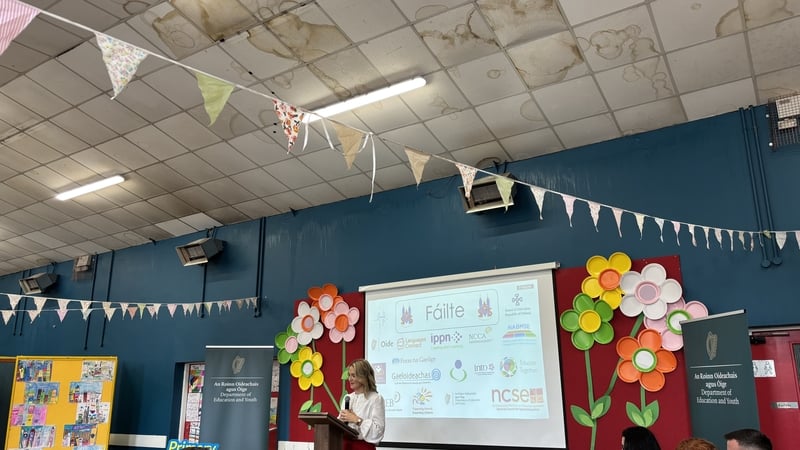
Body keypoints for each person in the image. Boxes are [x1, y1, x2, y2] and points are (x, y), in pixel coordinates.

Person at [338, 359, 385, 449]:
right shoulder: (348, 398)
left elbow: (378, 432)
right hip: (345, 445)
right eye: (349, 375)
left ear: (363, 377)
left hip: (363, 447)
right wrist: (340, 421)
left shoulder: (376, 399)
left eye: (353, 375)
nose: (350, 379)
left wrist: (357, 420)